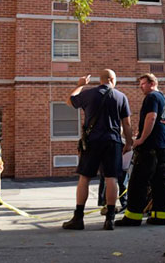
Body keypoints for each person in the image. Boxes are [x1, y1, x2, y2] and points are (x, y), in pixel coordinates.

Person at [62, 69, 133, 231]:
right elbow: (127, 124)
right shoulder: (121, 97)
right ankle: (110, 219)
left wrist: (80, 85)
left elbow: (69, 101)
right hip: (113, 142)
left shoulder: (89, 94)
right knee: (111, 178)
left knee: (84, 178)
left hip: (92, 141)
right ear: (111, 79)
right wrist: (128, 143)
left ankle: (78, 218)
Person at [116, 73, 165, 227]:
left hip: (150, 147)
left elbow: (151, 117)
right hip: (164, 147)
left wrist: (141, 139)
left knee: (138, 181)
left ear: (151, 83)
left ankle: (133, 217)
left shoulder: (151, 97)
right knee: (159, 182)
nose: (140, 87)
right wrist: (164, 128)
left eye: (142, 83)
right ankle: (160, 216)